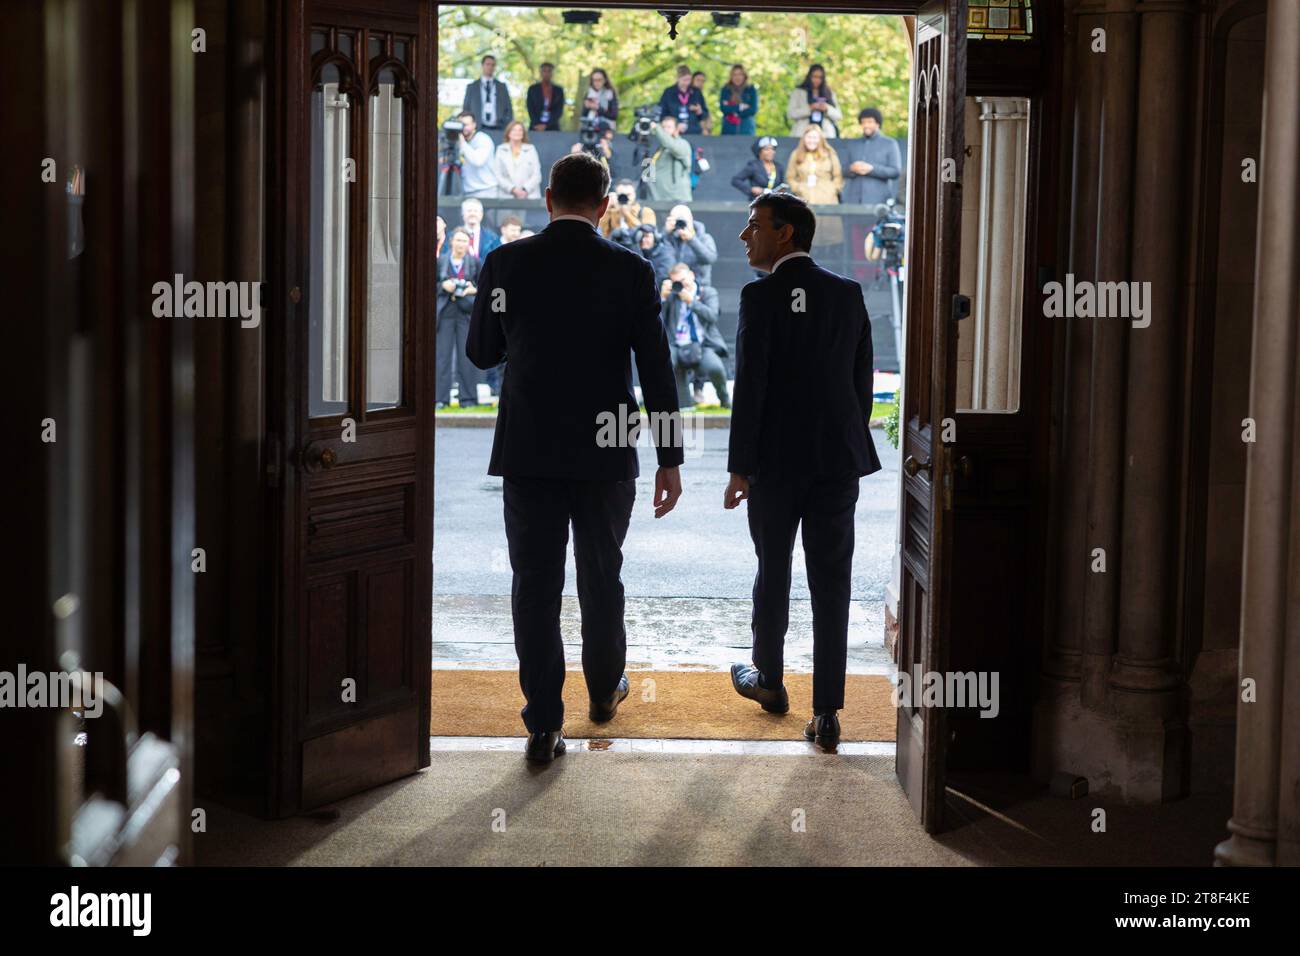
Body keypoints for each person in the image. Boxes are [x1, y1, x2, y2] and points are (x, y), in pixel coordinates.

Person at [466, 152, 684, 763]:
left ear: (547, 197)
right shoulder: (633, 271)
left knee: (534, 583)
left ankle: (543, 721)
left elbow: (482, 352)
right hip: (608, 443)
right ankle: (602, 691)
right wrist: (670, 457)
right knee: (601, 573)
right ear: (605, 204)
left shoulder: (505, 263)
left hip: (530, 445)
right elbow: (657, 371)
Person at [725, 192, 881, 745]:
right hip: (836, 460)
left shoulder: (759, 297)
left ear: (784, 233)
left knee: (774, 570)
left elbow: (752, 387)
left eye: (754, 226)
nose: (746, 236)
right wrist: (842, 437)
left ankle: (768, 678)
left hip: (775, 463)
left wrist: (739, 467)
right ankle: (828, 712)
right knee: (831, 582)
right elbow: (860, 380)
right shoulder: (847, 293)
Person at [660, 262, 729, 409]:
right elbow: (656, 320)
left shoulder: (707, 293)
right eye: (677, 282)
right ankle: (668, 405)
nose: (682, 285)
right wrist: (663, 299)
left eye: (683, 279)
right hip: (676, 345)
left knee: (716, 368)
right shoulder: (672, 296)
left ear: (692, 275)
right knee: (664, 364)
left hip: (702, 344)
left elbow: (712, 317)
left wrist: (691, 301)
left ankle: (725, 400)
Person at [436, 227, 481, 408]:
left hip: (466, 312)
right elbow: (430, 285)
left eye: (465, 241)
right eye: (458, 240)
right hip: (445, 311)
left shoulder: (475, 263)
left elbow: (484, 287)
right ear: (451, 242)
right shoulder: (441, 262)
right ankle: (440, 399)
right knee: (443, 357)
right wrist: (443, 286)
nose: (461, 244)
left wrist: (472, 290)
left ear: (468, 244)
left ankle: (468, 399)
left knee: (466, 356)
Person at [841, 107, 903, 206]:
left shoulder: (889, 143)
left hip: (878, 202)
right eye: (863, 122)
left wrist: (872, 169)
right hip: (852, 201)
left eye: (870, 122)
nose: (866, 125)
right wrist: (852, 168)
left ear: (878, 123)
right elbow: (842, 170)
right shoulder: (852, 144)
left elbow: (895, 172)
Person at [660, 204, 718, 286]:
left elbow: (710, 258)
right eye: (676, 218)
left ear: (691, 218)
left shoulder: (704, 237)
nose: (680, 222)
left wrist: (691, 239)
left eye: (682, 217)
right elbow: (656, 256)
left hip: (699, 288)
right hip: (673, 286)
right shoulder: (668, 238)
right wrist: (665, 233)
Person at [786, 125, 843, 205]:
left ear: (820, 139)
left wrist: (832, 189)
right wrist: (798, 188)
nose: (812, 140)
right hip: (804, 199)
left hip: (828, 200)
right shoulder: (796, 154)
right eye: (809, 137)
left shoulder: (830, 154)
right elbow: (790, 177)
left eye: (815, 137)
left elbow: (838, 176)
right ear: (804, 139)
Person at [644, 115, 693, 203]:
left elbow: (672, 146)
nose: (665, 130)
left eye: (669, 127)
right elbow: (648, 172)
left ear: (676, 129)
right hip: (658, 197)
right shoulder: (659, 148)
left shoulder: (682, 143)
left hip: (677, 198)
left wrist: (657, 128)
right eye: (663, 127)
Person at [787, 63, 842, 139]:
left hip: (825, 135)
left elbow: (838, 115)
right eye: (814, 77)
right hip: (802, 134)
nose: (817, 80)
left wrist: (826, 108)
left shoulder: (829, 93)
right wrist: (810, 108)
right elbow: (791, 114)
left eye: (820, 77)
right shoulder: (798, 92)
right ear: (809, 77)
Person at [462, 54, 513, 132]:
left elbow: (508, 109)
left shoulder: (502, 87)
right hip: (478, 128)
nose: (490, 67)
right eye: (488, 64)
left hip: (499, 128)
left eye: (493, 65)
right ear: (482, 66)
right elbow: (466, 109)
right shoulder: (472, 87)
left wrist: (506, 125)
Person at [493, 121, 542, 198]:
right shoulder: (501, 150)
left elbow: (537, 174)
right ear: (508, 133)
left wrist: (525, 189)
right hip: (508, 196)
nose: (517, 132)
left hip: (529, 196)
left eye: (520, 130)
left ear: (523, 133)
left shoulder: (531, 149)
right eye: (514, 130)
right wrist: (513, 189)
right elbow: (497, 174)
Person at [657, 65, 708, 136]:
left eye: (689, 80)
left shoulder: (696, 92)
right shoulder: (669, 92)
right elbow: (662, 112)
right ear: (678, 79)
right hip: (673, 131)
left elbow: (705, 114)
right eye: (684, 80)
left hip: (693, 131)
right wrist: (671, 125)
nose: (687, 83)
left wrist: (700, 112)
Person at [456, 112, 497, 198]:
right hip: (467, 191)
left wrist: (462, 143)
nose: (463, 128)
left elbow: (478, 161)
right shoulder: (460, 142)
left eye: (466, 125)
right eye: (460, 124)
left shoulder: (483, 139)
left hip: (486, 191)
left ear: (474, 125)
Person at [719, 64, 758, 136]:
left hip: (746, 129)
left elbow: (753, 109)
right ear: (731, 76)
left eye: (740, 74)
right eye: (735, 74)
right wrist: (740, 107)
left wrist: (734, 112)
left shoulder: (751, 89)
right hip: (728, 129)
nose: (737, 77)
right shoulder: (725, 89)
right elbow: (723, 108)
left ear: (744, 76)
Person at [525, 62, 565, 131]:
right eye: (544, 71)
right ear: (540, 73)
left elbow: (559, 110)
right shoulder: (533, 89)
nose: (546, 73)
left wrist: (546, 125)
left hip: (553, 128)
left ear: (552, 73)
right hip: (535, 126)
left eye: (549, 71)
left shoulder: (558, 90)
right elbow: (530, 108)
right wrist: (537, 124)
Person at [580, 68, 619, 133]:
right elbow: (583, 116)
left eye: (599, 80)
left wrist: (598, 108)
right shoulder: (588, 94)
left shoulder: (610, 94)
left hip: (607, 130)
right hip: (589, 129)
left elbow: (614, 115)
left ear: (605, 80)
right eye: (594, 80)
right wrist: (587, 107)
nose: (596, 83)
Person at [691, 71, 713, 135]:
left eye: (702, 81)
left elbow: (705, 112)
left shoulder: (699, 94)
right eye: (698, 80)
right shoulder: (688, 93)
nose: (700, 83)